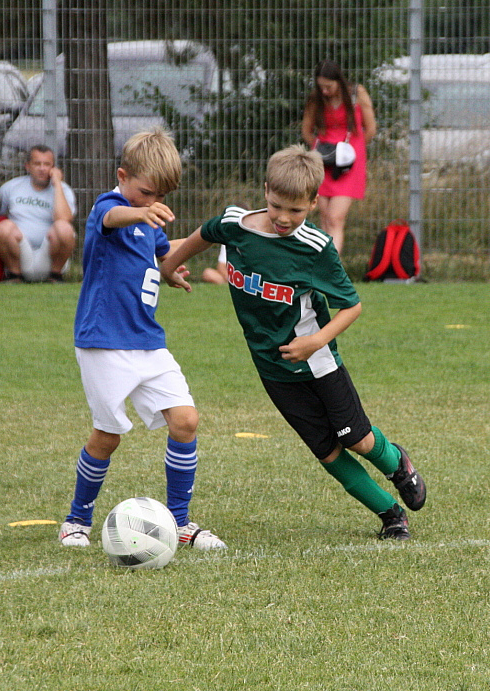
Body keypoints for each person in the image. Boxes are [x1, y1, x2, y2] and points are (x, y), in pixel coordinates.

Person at [160, 145, 425, 540]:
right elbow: (204, 235)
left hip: (317, 361)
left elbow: (351, 306)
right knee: (327, 451)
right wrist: (168, 267)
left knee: (355, 438)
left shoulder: (314, 248)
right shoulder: (236, 225)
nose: (284, 218)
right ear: (266, 191)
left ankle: (397, 464)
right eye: (277, 206)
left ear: (314, 203)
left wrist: (315, 341)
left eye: (296, 210)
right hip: (272, 368)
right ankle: (390, 514)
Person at [58, 128, 225, 551]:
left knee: (185, 420)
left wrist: (193, 250)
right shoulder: (110, 206)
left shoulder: (147, 220)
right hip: (104, 342)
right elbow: (112, 219)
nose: (153, 202)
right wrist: (140, 211)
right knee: (107, 436)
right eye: (146, 192)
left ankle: (180, 522)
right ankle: (77, 520)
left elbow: (166, 252)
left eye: (160, 196)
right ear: (123, 176)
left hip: (148, 341)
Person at [301, 60, 377, 255]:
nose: (325, 91)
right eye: (321, 87)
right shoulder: (316, 99)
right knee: (325, 217)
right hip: (324, 160)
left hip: (348, 163)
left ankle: (331, 266)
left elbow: (370, 129)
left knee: (335, 217)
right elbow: (306, 131)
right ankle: (325, 262)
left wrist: (352, 151)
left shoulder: (357, 94)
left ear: (339, 81)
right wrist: (319, 149)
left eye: (329, 86)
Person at [0, 145, 77, 282]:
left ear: (54, 168)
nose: (42, 168)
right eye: (37, 164)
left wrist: (57, 183)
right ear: (28, 166)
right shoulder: (11, 187)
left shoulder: (64, 190)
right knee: (3, 227)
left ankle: (55, 277)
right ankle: (14, 276)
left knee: (64, 228)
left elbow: (64, 219)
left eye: (47, 164)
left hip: (49, 257)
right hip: (19, 255)